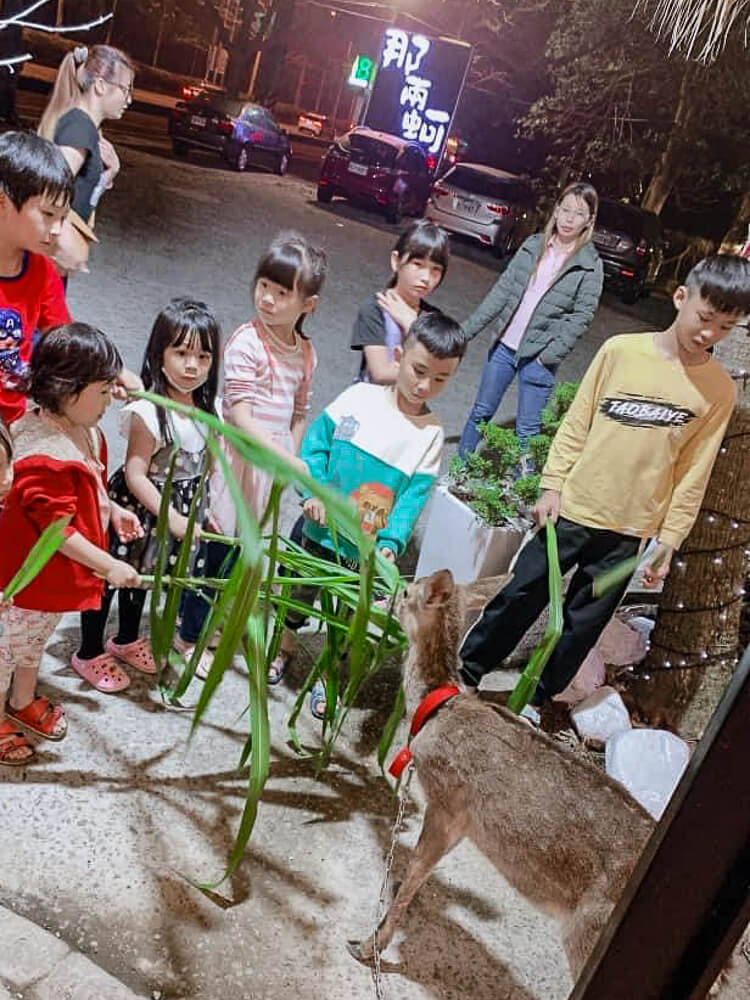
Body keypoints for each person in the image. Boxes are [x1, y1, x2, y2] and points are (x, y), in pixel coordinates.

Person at [459, 253, 750, 725]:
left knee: (582, 624)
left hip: (629, 534)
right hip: (573, 508)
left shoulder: (717, 390)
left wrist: (669, 540)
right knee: (520, 594)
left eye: (725, 327)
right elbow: (577, 423)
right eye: (704, 317)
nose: (708, 333)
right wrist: (552, 485)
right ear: (681, 297)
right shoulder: (620, 351)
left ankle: (536, 700)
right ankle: (468, 671)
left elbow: (695, 470)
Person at [272, 310, 467, 718]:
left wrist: (392, 542)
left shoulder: (429, 435)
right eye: (418, 370)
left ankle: (328, 675)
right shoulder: (358, 399)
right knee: (295, 597)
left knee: (345, 620)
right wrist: (313, 492)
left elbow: (412, 499)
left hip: (363, 548)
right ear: (399, 355)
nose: (424, 385)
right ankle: (284, 647)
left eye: (440, 379)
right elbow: (315, 448)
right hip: (317, 532)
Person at [174, 233, 327, 673]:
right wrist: (283, 457)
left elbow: (300, 410)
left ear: (308, 304)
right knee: (218, 548)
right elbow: (239, 414)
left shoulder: (306, 352)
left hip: (269, 467)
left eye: (283, 293)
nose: (268, 299)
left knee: (245, 552)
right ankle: (188, 634)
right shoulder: (246, 343)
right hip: (237, 461)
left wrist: (288, 456)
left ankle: (213, 623)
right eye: (264, 286)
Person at [0, 324, 142, 766]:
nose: (109, 401)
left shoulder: (86, 431)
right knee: (7, 651)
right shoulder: (45, 457)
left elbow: (92, 485)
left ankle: (22, 701)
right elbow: (55, 531)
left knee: (33, 643)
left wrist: (113, 512)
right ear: (66, 390)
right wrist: (108, 565)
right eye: (102, 391)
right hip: (26, 582)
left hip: (51, 584)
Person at [72, 299, 220, 690]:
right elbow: (137, 474)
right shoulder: (149, 411)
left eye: (203, 356)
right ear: (159, 354)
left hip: (180, 510)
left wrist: (208, 508)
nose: (192, 366)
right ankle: (88, 650)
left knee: (143, 578)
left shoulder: (209, 410)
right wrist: (169, 515)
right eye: (182, 353)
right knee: (111, 579)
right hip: (139, 510)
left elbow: (206, 465)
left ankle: (124, 639)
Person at [457, 182, 603, 458]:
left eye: (580, 213)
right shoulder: (533, 245)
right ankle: (459, 469)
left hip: (538, 358)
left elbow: (582, 316)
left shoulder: (590, 264)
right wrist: (465, 332)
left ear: (589, 221)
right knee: (481, 412)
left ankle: (520, 490)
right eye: (566, 209)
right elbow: (501, 292)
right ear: (557, 210)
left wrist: (549, 355)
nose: (570, 219)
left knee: (527, 431)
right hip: (503, 347)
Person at [0, 131, 72, 426]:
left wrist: (106, 371)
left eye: (63, 218)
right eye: (48, 214)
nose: (56, 230)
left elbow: (64, 339)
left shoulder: (41, 271)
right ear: (2, 202)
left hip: (13, 420)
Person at [38, 44, 134, 226]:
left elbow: (84, 197)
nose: (129, 99)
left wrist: (110, 172)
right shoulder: (79, 129)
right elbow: (48, 200)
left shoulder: (86, 128)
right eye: (125, 89)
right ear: (100, 86)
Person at [351, 219, 450, 384]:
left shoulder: (433, 317)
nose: (426, 278)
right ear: (396, 261)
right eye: (418, 264)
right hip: (369, 403)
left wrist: (412, 325)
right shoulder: (375, 308)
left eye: (435, 269)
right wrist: (426, 373)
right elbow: (381, 373)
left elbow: (443, 368)